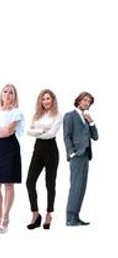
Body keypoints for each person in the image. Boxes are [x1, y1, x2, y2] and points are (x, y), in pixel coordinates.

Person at [0, 85, 24, 233]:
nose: (8, 94)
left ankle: (5, 218)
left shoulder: (17, 112)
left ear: (14, 96)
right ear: (1, 94)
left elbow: (9, 131)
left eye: (11, 92)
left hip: (11, 148)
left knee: (9, 184)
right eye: (5, 91)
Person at [24, 89, 63, 230]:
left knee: (49, 183)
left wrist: (39, 131)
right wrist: (42, 130)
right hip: (38, 150)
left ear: (52, 100)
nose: (45, 101)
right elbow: (28, 131)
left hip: (51, 150)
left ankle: (48, 214)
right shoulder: (37, 115)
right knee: (29, 182)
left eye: (48, 98)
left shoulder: (58, 115)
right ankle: (35, 214)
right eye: (43, 99)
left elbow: (51, 134)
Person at [61, 92, 96, 227]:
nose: (86, 103)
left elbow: (95, 136)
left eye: (89, 102)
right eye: (85, 100)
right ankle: (70, 218)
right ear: (79, 101)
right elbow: (66, 136)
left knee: (82, 187)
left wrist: (91, 122)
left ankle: (76, 216)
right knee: (75, 187)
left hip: (86, 156)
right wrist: (71, 154)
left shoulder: (86, 118)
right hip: (76, 156)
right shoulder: (69, 116)